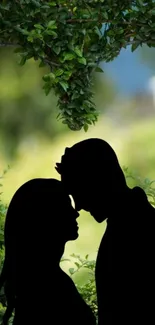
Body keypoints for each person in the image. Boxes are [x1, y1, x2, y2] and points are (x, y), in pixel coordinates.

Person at [56, 138, 155, 325]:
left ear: (96, 181)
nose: (78, 206)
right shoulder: (134, 224)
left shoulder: (129, 234)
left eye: (78, 191)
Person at [0, 178, 96, 325]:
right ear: (48, 216)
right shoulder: (50, 286)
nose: (75, 212)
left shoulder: (36, 282)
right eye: (66, 205)